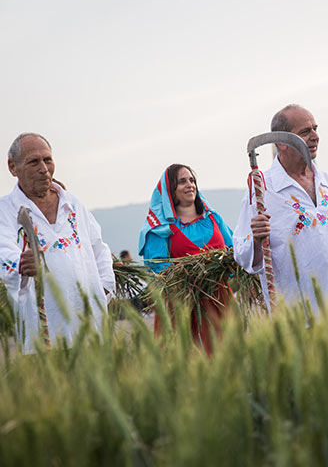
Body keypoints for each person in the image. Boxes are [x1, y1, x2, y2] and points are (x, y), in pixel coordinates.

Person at [233, 104, 328, 312]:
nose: (315, 136)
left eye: (315, 128)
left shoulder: (325, 181)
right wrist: (257, 239)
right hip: (302, 312)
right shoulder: (263, 189)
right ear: (282, 142)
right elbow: (244, 255)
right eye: (305, 132)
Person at [0, 133, 115, 352]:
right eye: (34, 162)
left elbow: (99, 248)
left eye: (48, 159)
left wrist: (104, 290)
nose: (44, 168)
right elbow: (4, 255)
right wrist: (21, 265)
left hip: (91, 327)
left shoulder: (72, 203)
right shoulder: (5, 211)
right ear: (13, 168)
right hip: (44, 335)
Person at [138, 163, 233, 354]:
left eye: (192, 180)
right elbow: (159, 270)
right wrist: (190, 273)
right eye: (182, 181)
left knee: (227, 360)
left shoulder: (213, 219)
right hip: (182, 306)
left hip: (219, 301)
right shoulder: (160, 229)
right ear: (170, 191)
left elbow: (234, 251)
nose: (190, 185)